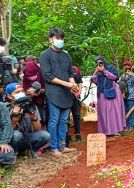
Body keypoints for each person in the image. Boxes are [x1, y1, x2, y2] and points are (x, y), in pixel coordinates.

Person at [40, 28, 78, 157]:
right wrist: (66, 84)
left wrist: (73, 84)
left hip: (66, 93)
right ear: (51, 39)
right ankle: (54, 147)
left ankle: (63, 145)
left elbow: (70, 73)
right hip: (53, 93)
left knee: (63, 121)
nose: (60, 41)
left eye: (62, 38)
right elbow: (47, 75)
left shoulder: (66, 55)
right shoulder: (45, 55)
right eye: (58, 38)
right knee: (54, 120)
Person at [6, 83, 50, 158]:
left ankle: (31, 149)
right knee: (16, 135)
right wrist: (15, 119)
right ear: (9, 96)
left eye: (22, 91)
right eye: (17, 92)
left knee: (45, 135)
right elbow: (6, 133)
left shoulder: (29, 105)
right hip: (11, 140)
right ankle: (14, 153)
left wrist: (33, 118)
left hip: (27, 137)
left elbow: (38, 129)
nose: (21, 93)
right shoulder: (5, 108)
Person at [91, 56, 125, 136]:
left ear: (104, 61)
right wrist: (96, 72)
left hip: (111, 92)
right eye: (98, 62)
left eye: (101, 62)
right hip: (101, 94)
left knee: (112, 112)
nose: (99, 63)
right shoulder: (98, 70)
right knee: (103, 113)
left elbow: (115, 77)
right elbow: (94, 80)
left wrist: (104, 71)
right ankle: (105, 131)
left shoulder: (110, 67)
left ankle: (115, 130)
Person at [23, 57, 48, 129]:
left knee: (43, 120)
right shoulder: (25, 78)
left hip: (42, 102)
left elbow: (47, 89)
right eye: (29, 76)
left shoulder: (42, 75)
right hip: (30, 103)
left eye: (33, 75)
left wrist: (40, 91)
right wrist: (28, 93)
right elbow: (24, 89)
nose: (31, 78)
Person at [118, 60, 134, 130]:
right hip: (124, 97)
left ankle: (131, 126)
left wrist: (131, 75)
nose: (126, 67)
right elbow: (118, 83)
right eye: (125, 66)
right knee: (125, 111)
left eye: (128, 65)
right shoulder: (122, 76)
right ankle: (126, 126)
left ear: (130, 66)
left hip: (132, 96)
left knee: (131, 112)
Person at [69, 66, 83, 142]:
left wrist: (79, 92)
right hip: (66, 97)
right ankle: (67, 135)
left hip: (76, 97)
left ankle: (78, 134)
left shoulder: (75, 69)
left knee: (77, 115)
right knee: (66, 117)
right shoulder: (61, 69)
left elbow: (80, 82)